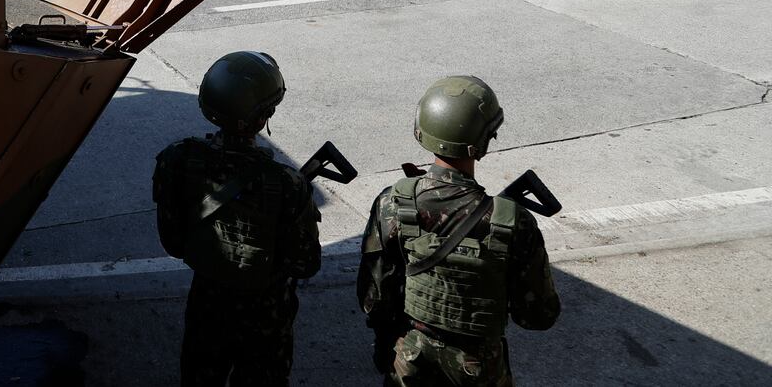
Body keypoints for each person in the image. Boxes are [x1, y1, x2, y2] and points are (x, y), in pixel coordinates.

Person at [357, 76, 560, 386]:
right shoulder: (513, 222)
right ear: (485, 140)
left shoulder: (392, 204)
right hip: (479, 372)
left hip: (409, 365)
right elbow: (538, 316)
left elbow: (374, 297)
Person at [152, 52, 321, 386]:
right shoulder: (286, 182)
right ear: (264, 116)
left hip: (207, 304)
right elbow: (305, 264)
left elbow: (173, 243)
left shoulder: (178, 159)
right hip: (266, 316)